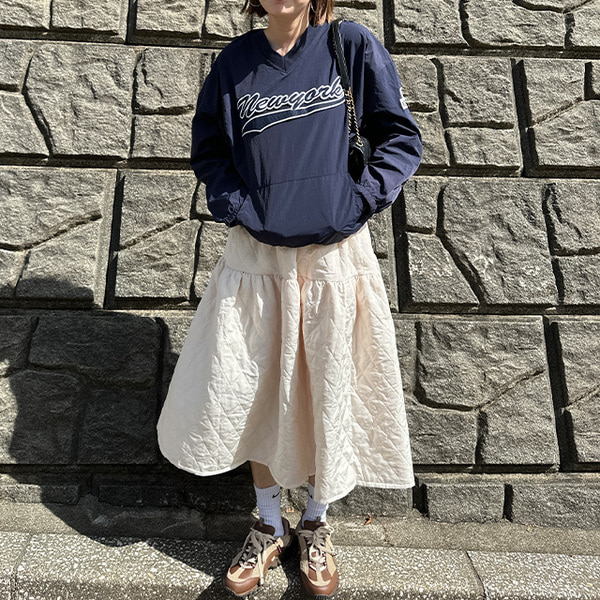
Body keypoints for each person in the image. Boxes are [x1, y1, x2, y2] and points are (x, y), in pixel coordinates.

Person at [156, 0, 422, 596]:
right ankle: (269, 522)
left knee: (331, 382)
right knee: (253, 384)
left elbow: (400, 137)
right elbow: (210, 151)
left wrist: (359, 201)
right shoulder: (235, 63)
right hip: (257, 258)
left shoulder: (349, 46)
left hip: (334, 258)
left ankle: (316, 522)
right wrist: (239, 208)